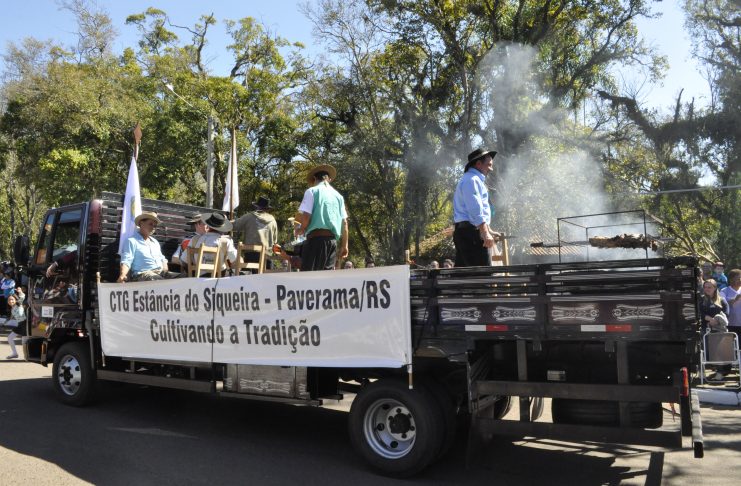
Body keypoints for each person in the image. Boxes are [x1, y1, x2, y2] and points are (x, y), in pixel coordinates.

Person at [297, 164, 349, 271]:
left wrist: (301, 229)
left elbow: (306, 216)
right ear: (328, 179)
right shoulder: (338, 196)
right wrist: (345, 246)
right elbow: (344, 223)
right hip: (332, 243)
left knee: (308, 277)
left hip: (315, 241)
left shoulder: (311, 191)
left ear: (314, 179)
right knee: (326, 278)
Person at [453, 148, 497, 267]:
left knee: (464, 275)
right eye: (489, 165)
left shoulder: (470, 179)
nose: (491, 169)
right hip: (472, 234)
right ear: (478, 164)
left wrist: (489, 230)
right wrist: (485, 233)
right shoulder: (472, 180)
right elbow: (475, 209)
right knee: (482, 274)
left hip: (466, 232)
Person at [117, 212, 175, 282]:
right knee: (159, 281)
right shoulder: (131, 241)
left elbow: (162, 259)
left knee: (182, 278)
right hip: (142, 274)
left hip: (160, 273)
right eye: (150, 224)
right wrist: (123, 275)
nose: (153, 228)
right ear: (141, 223)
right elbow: (126, 260)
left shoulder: (155, 242)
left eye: (155, 226)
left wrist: (166, 272)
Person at [184, 212, 238, 276]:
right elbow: (235, 261)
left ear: (208, 225)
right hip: (218, 279)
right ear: (222, 228)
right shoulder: (226, 242)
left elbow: (184, 261)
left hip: (197, 278)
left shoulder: (194, 239)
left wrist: (192, 275)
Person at [233, 196, 279, 268]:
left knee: (251, 275)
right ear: (267, 209)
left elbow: (234, 226)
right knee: (267, 275)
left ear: (256, 206)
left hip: (251, 255)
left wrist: (226, 222)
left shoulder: (249, 216)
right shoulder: (273, 220)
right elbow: (275, 241)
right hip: (267, 255)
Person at [699, 278, 730, 381]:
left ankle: (720, 372)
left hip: (719, 330)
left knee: (719, 351)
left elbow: (726, 313)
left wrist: (716, 320)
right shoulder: (701, 299)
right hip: (705, 329)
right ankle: (702, 371)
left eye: (709, 287)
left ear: (715, 288)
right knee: (704, 351)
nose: (707, 289)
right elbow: (699, 312)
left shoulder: (722, 300)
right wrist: (708, 318)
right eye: (705, 287)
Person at [4, 294, 25, 359]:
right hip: (20, 324)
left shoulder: (19, 305)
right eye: (9, 300)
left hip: (25, 324)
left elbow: (22, 296)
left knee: (24, 341)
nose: (10, 301)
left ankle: (28, 356)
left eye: (12, 299)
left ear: (16, 300)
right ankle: (15, 353)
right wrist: (6, 321)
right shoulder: (12, 308)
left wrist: (20, 292)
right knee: (10, 338)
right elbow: (12, 316)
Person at [720, 268, 741, 334]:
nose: (740, 280)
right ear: (731, 279)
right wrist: (735, 299)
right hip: (730, 325)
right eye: (738, 278)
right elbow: (723, 305)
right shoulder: (724, 291)